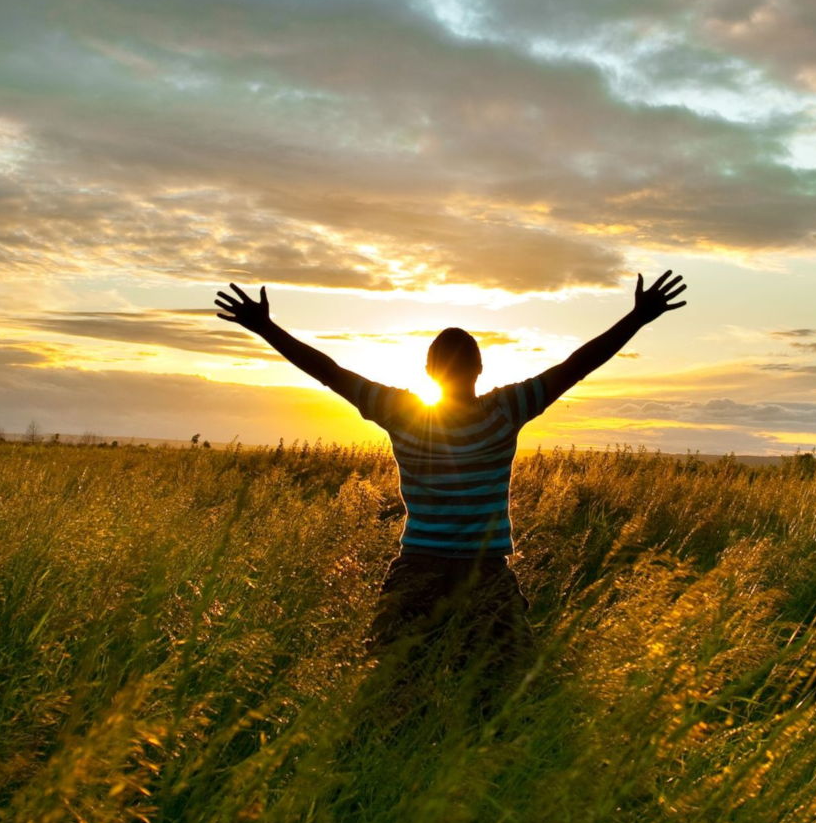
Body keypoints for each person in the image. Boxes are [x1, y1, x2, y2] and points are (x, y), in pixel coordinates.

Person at [214, 271, 688, 697]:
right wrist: (637, 318)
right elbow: (577, 365)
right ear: (480, 370)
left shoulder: (401, 413)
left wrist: (266, 329)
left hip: (418, 566)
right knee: (510, 694)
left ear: (428, 372)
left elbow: (330, 373)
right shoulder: (507, 410)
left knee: (388, 691)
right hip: (486, 573)